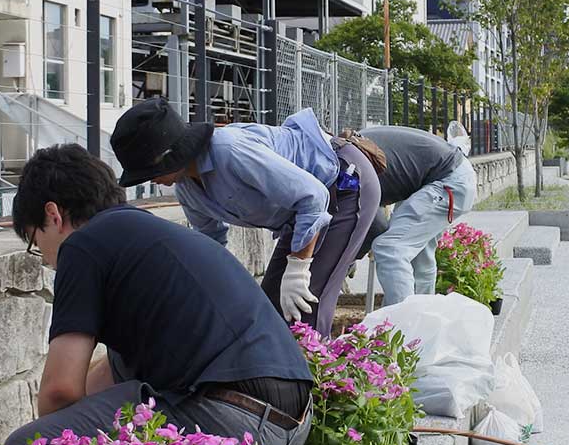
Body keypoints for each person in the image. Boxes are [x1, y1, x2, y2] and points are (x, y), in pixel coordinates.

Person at [2, 143, 315, 445]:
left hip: (232, 422)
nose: (48, 261)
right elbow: (108, 377)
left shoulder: (82, 246)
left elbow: (60, 392)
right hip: (292, 425)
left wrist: (39, 442)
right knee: (123, 368)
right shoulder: (147, 236)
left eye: (36, 243)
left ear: (53, 216)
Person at [111, 98, 381, 335]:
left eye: (150, 172)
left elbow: (313, 196)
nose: (152, 180)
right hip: (301, 216)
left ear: (170, 157)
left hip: (342, 186)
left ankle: (320, 386)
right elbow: (211, 241)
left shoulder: (230, 150)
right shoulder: (187, 189)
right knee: (272, 308)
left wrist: (298, 270)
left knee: (305, 307)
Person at [360, 120, 478, 304]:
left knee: (391, 248)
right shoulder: (352, 148)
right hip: (445, 176)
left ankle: (404, 325)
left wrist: (347, 260)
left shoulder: (346, 164)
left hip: (448, 180)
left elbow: (374, 225)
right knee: (420, 259)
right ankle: (423, 320)